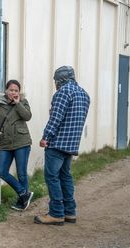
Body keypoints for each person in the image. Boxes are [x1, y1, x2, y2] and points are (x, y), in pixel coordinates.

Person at [34, 66, 90, 226]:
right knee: (65, 176)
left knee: (52, 177)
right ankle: (69, 212)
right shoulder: (84, 94)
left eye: (55, 81)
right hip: (72, 143)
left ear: (60, 79)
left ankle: (56, 213)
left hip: (57, 143)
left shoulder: (63, 93)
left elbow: (56, 118)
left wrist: (46, 137)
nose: (55, 84)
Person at [0, 80, 34, 211]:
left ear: (19, 92)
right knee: (1, 171)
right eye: (11, 90)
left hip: (21, 142)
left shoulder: (23, 101)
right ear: (6, 90)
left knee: (21, 173)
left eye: (16, 90)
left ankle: (22, 202)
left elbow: (27, 116)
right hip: (5, 142)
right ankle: (24, 193)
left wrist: (18, 103)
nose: (13, 92)